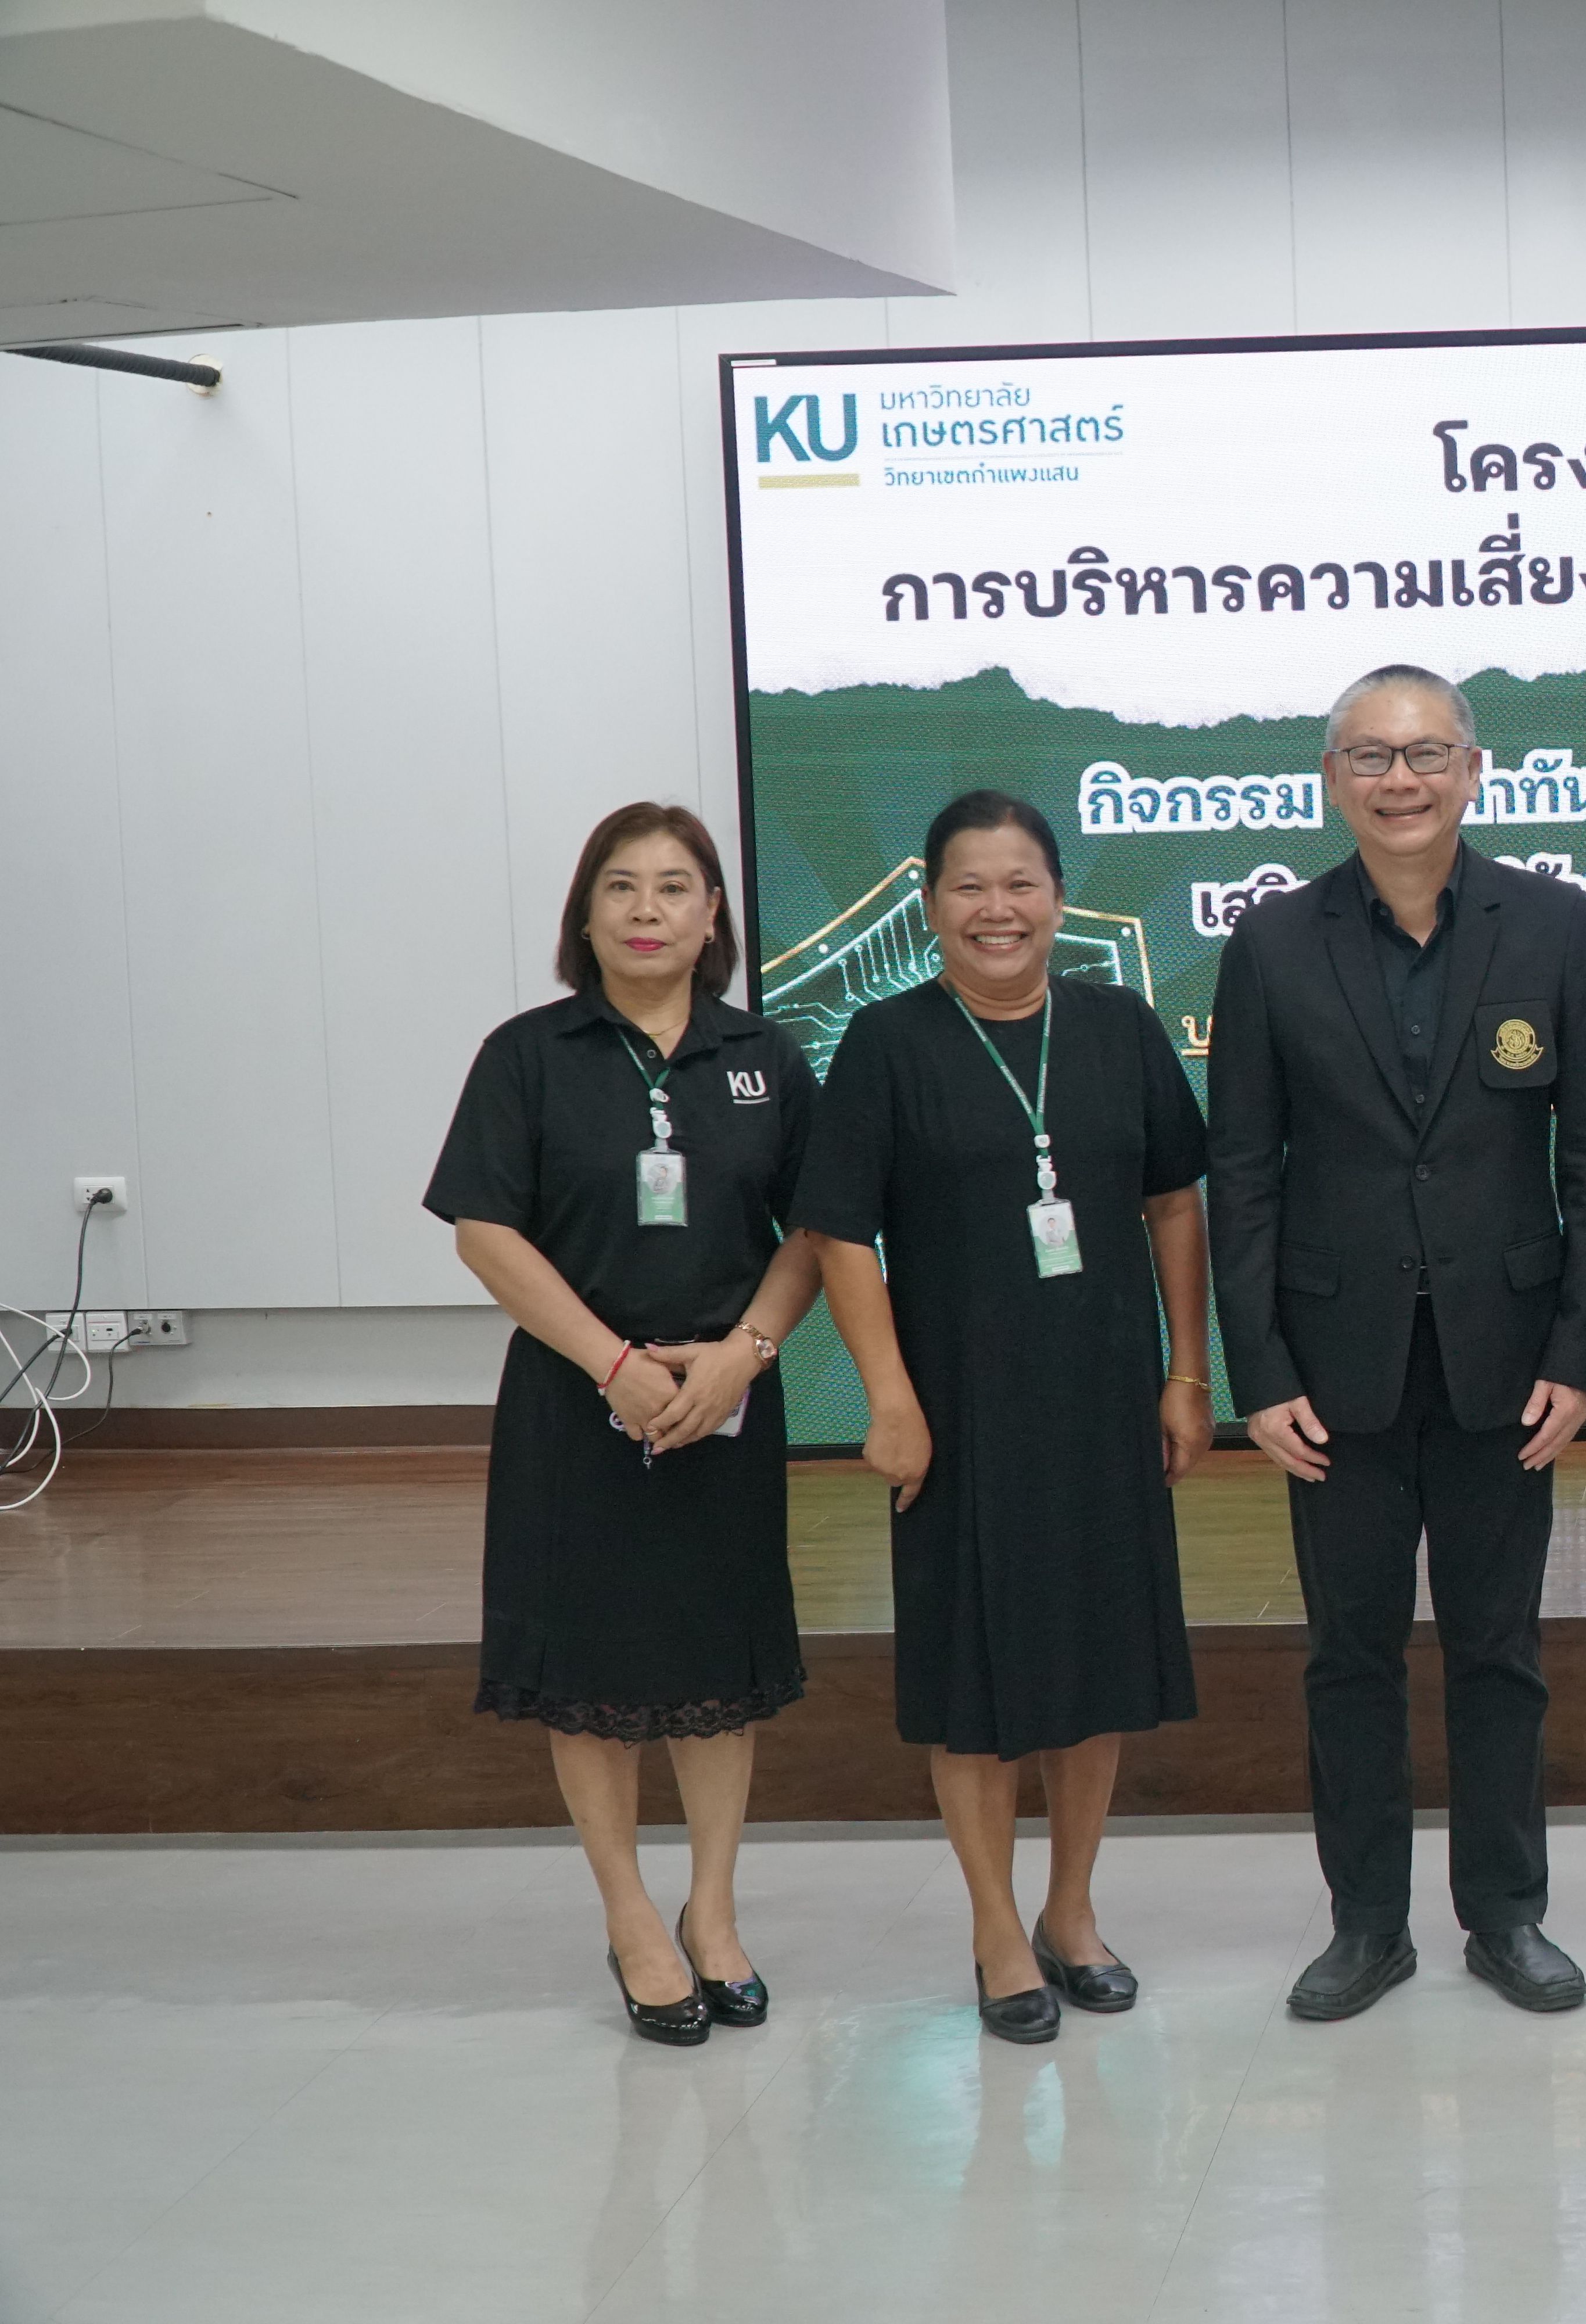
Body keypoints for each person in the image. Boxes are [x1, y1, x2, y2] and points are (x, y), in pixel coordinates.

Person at [1207, 666, 1586, 2021]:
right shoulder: (1273, 941)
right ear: (1333, 778)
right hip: (1335, 1371)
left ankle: (1507, 1915)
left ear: (1473, 769)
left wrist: (1582, 1350)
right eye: (1374, 756)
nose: (1403, 779)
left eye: (1428, 753)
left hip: (1511, 1362)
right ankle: (1367, 1924)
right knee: (1351, 1655)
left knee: (1501, 1648)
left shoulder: (1553, 925)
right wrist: (1260, 1371)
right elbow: (1244, 1173)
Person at [798, 790, 1214, 2045]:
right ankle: (994, 1927)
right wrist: (888, 1397)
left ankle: (1070, 1912)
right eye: (970, 886)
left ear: (1058, 899)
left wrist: (1187, 1372)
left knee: (1093, 1668)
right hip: (959, 1411)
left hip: (1102, 1397)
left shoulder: (1119, 1026)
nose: (998, 908)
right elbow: (840, 1233)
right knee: (974, 1680)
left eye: (1022, 882)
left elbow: (1174, 1202)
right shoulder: (886, 1042)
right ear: (931, 904)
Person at [426, 802, 823, 2046]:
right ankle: (631, 1918)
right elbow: (485, 1229)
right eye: (621, 887)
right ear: (585, 914)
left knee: (718, 1674)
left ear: (714, 916)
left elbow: (814, 1231)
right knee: (589, 1675)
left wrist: (744, 1354)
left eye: (674, 887)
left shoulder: (767, 1056)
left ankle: (714, 1911)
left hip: (724, 1402)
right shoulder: (528, 1055)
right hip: (576, 1402)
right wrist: (610, 1362)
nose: (648, 910)